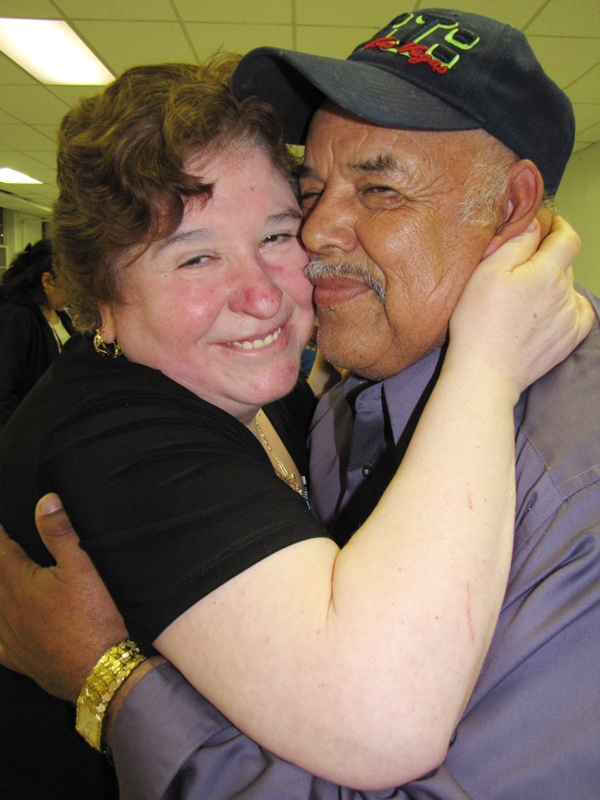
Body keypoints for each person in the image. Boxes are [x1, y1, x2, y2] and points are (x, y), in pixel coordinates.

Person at [0, 13, 594, 800]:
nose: (317, 237)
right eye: (196, 256)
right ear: (99, 299)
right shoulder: (140, 431)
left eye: (379, 190)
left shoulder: (566, 491)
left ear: (511, 206)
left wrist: (111, 680)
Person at [0, 239, 74, 430]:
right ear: (47, 281)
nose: (74, 295)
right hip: (26, 428)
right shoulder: (16, 316)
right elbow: (4, 388)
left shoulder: (60, 315)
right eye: (70, 285)